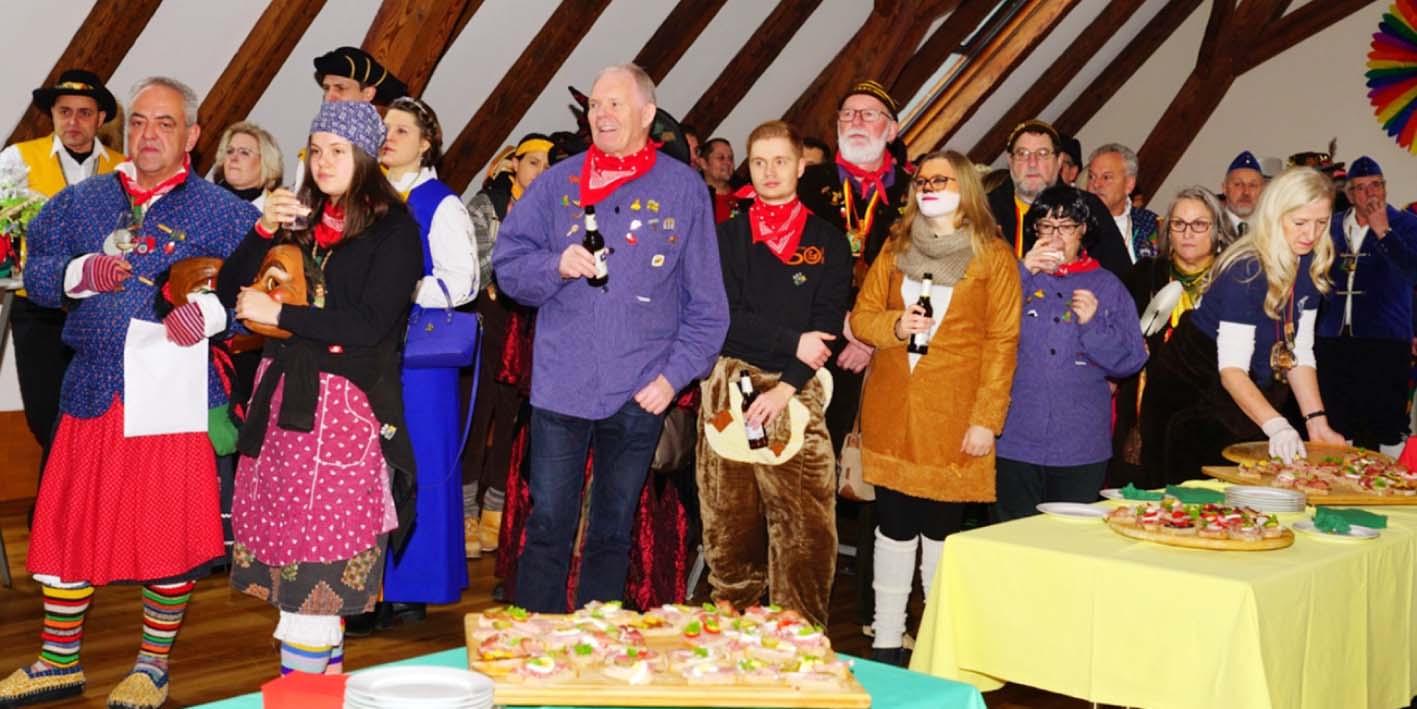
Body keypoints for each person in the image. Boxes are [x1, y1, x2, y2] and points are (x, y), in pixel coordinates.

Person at [0, 76, 258, 709]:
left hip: (172, 396)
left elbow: (267, 296)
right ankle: (59, 661)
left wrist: (215, 317)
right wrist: (76, 273)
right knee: (68, 527)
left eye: (165, 123)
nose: (148, 134)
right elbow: (36, 271)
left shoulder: (229, 215)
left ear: (192, 136)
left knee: (166, 533)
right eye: (139, 121)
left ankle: (152, 666)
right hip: (90, 388)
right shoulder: (78, 202)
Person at [491, 63, 728, 612]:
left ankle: (597, 641)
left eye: (615, 104)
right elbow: (508, 266)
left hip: (640, 390)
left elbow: (708, 310)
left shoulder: (684, 190)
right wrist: (554, 265)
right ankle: (538, 639)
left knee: (612, 530)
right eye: (595, 105)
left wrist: (671, 379)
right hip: (562, 386)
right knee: (548, 524)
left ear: (647, 114)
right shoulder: (557, 183)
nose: (602, 114)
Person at [221, 100, 422, 676]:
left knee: (318, 577)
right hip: (284, 405)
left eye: (339, 150)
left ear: (367, 157)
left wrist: (282, 316)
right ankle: (322, 692)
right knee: (297, 580)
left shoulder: (395, 230)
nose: (324, 161)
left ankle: (304, 694)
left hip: (345, 413)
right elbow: (231, 291)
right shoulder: (300, 218)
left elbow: (370, 325)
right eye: (316, 150)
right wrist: (262, 228)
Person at [848, 149, 1021, 665]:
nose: (928, 187)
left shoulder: (993, 256)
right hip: (893, 412)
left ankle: (936, 644)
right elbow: (862, 318)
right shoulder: (895, 247)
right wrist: (895, 326)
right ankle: (886, 639)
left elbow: (1003, 344)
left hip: (955, 418)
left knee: (941, 535)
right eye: (922, 180)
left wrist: (987, 420)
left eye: (940, 179)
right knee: (893, 529)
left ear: (965, 188)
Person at [697, 120, 850, 628]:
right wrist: (790, 341)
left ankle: (799, 641)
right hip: (729, 394)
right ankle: (732, 637)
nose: (769, 172)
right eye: (759, 162)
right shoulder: (728, 237)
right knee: (730, 529)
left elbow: (825, 331)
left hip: (798, 392)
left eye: (780, 161)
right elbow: (724, 319)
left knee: (805, 533)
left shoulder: (829, 241)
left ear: (801, 166)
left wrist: (785, 388)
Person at [346, 96, 478, 633]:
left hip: (418, 359)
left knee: (418, 466)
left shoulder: (440, 203)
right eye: (385, 128)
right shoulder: (363, 196)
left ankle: (410, 587)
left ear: (426, 144)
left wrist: (400, 288)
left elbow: (463, 282)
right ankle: (366, 586)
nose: (389, 137)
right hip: (368, 349)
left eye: (402, 130)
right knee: (366, 468)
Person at [1142, 167, 1346, 484]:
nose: (1311, 234)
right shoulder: (1246, 269)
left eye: (1321, 223)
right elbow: (1232, 371)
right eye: (1300, 222)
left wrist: (1316, 421)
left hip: (1245, 392)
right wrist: (1276, 425)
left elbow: (1300, 352)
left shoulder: (1309, 262)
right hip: (1192, 393)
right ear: (1275, 215)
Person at [796, 79, 913, 633]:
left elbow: (929, 274)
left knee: (882, 484)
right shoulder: (809, 184)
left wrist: (872, 333)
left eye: (869, 114)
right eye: (848, 113)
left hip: (890, 352)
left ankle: (876, 614)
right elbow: (791, 264)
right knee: (809, 476)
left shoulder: (916, 191)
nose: (857, 122)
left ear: (892, 129)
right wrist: (842, 323)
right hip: (815, 351)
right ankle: (800, 608)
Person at [992, 185, 1146, 521]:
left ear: (1083, 230)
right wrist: (1021, 273)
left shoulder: (1107, 285)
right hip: (1015, 436)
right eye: (1046, 226)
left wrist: (1093, 325)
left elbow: (1131, 360)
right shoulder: (1013, 277)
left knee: (1069, 537)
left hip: (1080, 443)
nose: (1055, 237)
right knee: (1010, 535)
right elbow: (982, 326)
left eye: (1065, 227)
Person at [0, 70, 121, 484]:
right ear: (51, 114)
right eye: (64, 111)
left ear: (100, 118)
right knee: (44, 414)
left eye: (84, 113)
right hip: (38, 305)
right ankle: (60, 507)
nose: (73, 121)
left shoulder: (124, 168)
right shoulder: (17, 159)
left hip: (101, 310)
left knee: (93, 414)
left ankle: (60, 510)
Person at [463, 132, 551, 561]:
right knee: (477, 413)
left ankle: (496, 511)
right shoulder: (486, 205)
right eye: (533, 162)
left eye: (547, 166)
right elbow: (475, 270)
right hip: (489, 319)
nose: (541, 172)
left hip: (528, 324)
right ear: (514, 164)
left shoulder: (554, 211)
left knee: (511, 418)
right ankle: (465, 512)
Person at [1112, 187, 1235, 489]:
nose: (1187, 233)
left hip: (1216, 415)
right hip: (1149, 414)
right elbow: (1115, 333)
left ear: (1218, 231)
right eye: (1178, 224)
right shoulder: (1144, 275)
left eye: (1199, 224)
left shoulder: (1233, 281)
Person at [1315, 157, 1417, 457]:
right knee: (1337, 421)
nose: (1370, 193)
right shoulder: (1330, 225)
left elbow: (1414, 272)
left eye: (1376, 185)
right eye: (1361, 188)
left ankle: (1393, 483)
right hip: (1333, 339)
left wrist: (1384, 233)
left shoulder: (1408, 225)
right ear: (1349, 195)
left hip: (1385, 339)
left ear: (1385, 188)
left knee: (1387, 424)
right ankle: (1338, 481)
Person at [986, 119, 1130, 277]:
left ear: (1059, 161)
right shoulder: (984, 211)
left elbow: (1120, 279)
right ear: (1010, 161)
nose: (1032, 163)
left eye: (1042, 154)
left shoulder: (1088, 208)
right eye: (1022, 154)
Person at [1086, 143, 1158, 264]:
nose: (1096, 184)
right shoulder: (1074, 222)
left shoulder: (1150, 224)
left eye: (1106, 177)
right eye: (1091, 176)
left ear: (1129, 184)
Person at [211, 121, 283, 210]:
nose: (233, 158)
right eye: (229, 151)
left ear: (265, 163)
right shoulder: (203, 196)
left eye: (244, 152)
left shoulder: (275, 212)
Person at [1222, 150, 1264, 236]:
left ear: (1263, 191)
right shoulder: (1212, 226)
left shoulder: (1271, 229)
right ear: (1224, 189)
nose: (1246, 192)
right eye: (1238, 184)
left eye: (1253, 185)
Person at [701, 137, 737, 223]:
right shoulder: (696, 198)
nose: (728, 163)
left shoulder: (745, 196)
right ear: (704, 163)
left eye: (731, 158)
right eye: (721, 158)